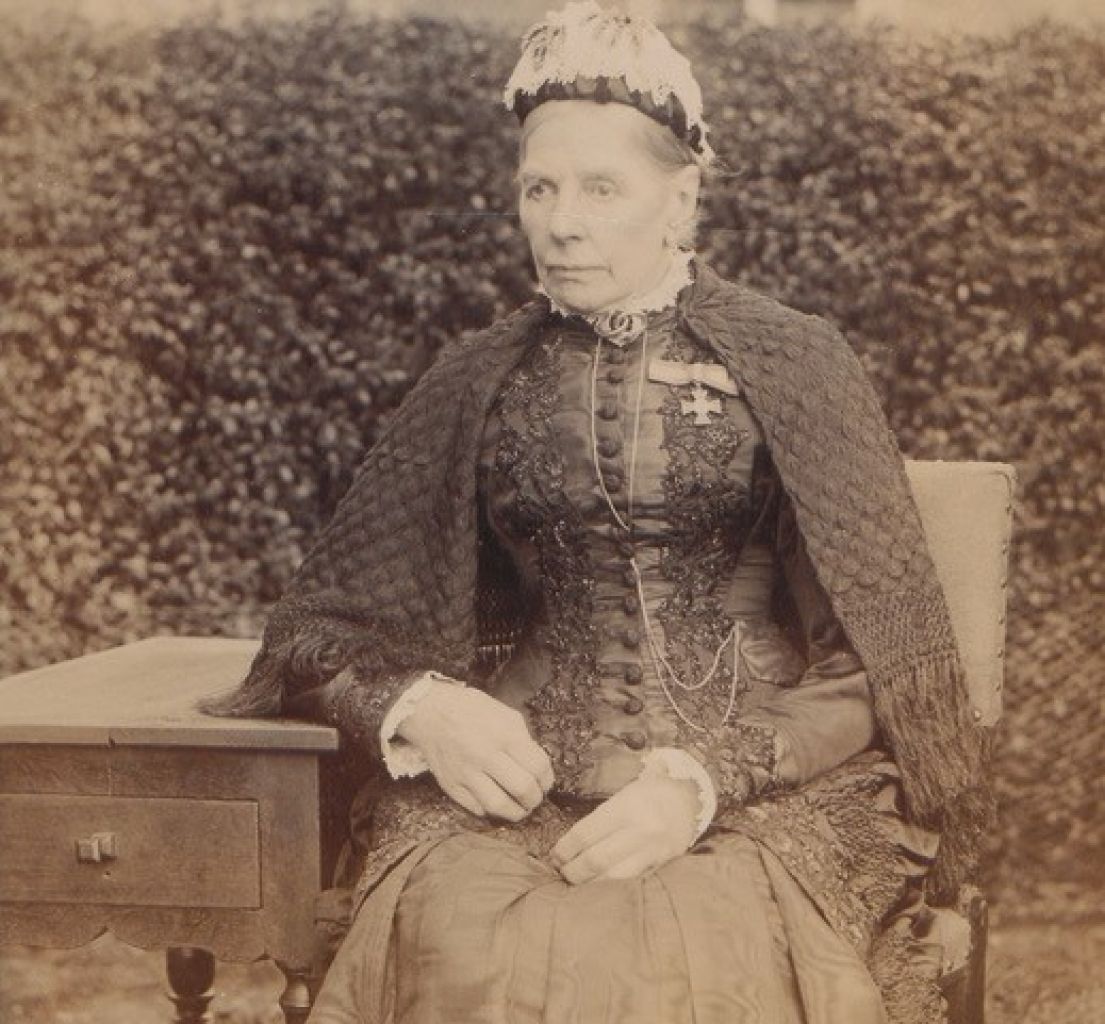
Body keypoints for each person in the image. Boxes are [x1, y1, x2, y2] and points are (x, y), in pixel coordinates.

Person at [208, 3, 989, 1021]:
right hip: (513, 801)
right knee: (458, 938)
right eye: (539, 186)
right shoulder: (473, 378)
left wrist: (698, 784)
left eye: (600, 187)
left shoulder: (795, 363)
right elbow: (315, 633)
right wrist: (421, 708)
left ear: (682, 198)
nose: (561, 219)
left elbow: (868, 667)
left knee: (700, 954)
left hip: (758, 794)